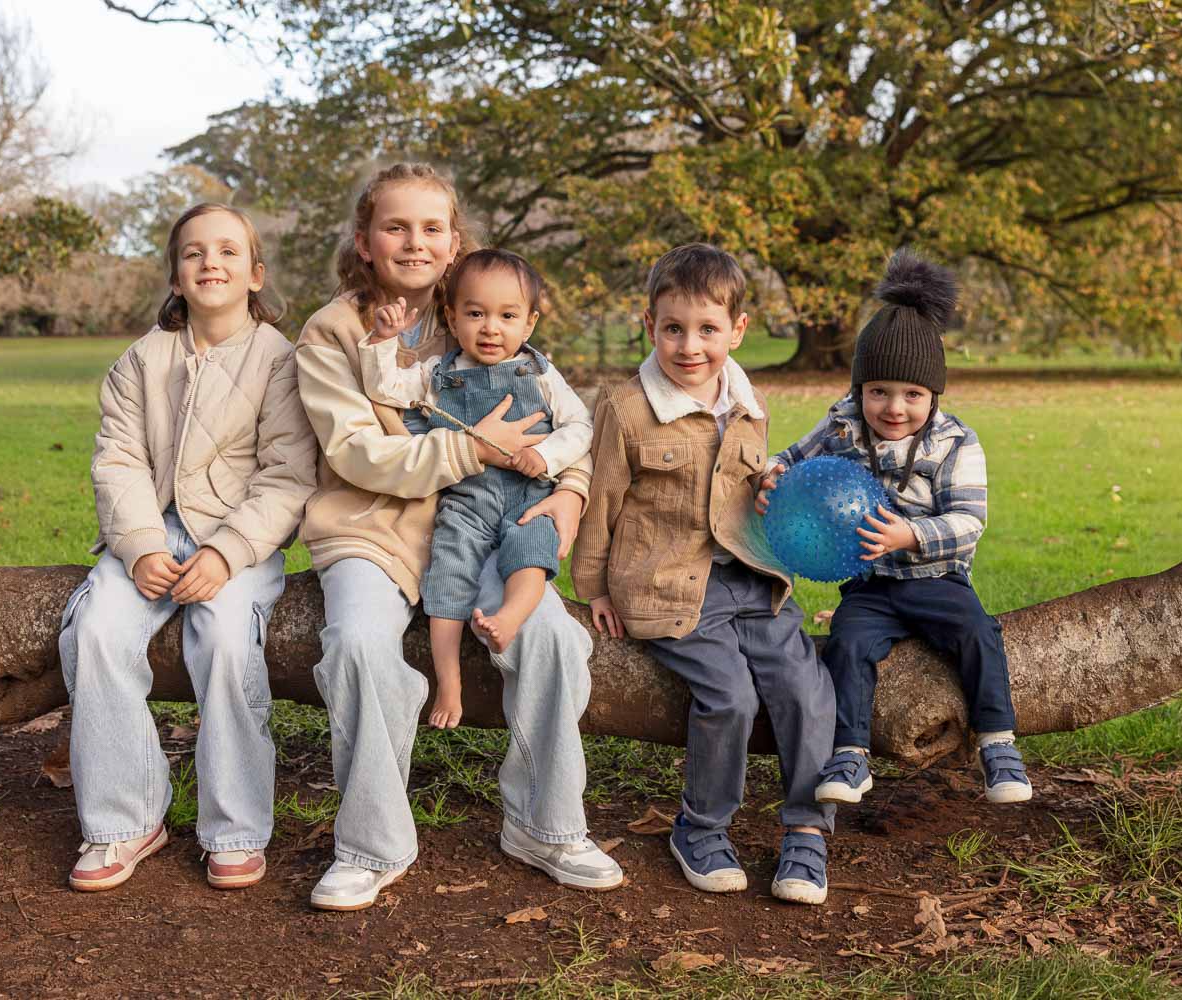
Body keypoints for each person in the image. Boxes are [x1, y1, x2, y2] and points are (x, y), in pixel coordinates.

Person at [294, 162, 623, 911]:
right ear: (365, 241)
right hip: (371, 529)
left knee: (553, 638)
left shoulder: (480, 310)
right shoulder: (332, 331)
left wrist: (569, 495)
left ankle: (546, 825)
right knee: (357, 647)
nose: (415, 242)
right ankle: (371, 843)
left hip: (481, 522)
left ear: (453, 244)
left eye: (432, 228)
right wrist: (470, 448)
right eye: (396, 227)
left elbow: (553, 422)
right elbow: (356, 455)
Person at [58, 203, 318, 892]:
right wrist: (142, 546)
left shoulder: (280, 362)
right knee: (96, 630)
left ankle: (234, 827)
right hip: (152, 531)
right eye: (194, 253)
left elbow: (289, 474)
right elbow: (118, 461)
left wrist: (229, 553)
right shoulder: (140, 361)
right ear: (175, 277)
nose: (211, 263)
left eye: (229, 252)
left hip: (238, 539)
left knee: (229, 642)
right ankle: (126, 819)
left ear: (255, 274)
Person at [573, 243, 838, 905]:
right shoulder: (627, 407)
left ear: (737, 330)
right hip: (670, 585)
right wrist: (594, 587)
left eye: (708, 330)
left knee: (806, 689)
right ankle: (701, 825)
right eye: (673, 329)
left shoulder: (749, 402)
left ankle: (806, 829)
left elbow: (747, 484)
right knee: (731, 697)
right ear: (650, 324)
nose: (690, 346)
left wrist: (770, 486)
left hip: (750, 577)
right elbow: (601, 497)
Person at [758, 249, 1032, 807]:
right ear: (860, 389)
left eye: (913, 395)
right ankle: (851, 754)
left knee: (979, 633)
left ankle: (998, 744)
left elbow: (968, 522)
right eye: (878, 391)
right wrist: (773, 475)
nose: (894, 407)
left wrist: (909, 534)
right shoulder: (841, 424)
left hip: (936, 579)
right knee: (849, 643)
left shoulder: (956, 442)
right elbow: (793, 458)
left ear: (934, 396)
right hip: (870, 586)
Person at [359, 248, 592, 729]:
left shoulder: (540, 372)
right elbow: (387, 390)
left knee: (531, 550)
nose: (491, 328)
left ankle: (508, 618)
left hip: (529, 493)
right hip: (466, 499)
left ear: (529, 325)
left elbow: (580, 427)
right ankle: (449, 682)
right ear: (453, 316)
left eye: (507, 316)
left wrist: (545, 457)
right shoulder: (438, 374)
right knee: (446, 579)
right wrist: (383, 342)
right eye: (476, 314)